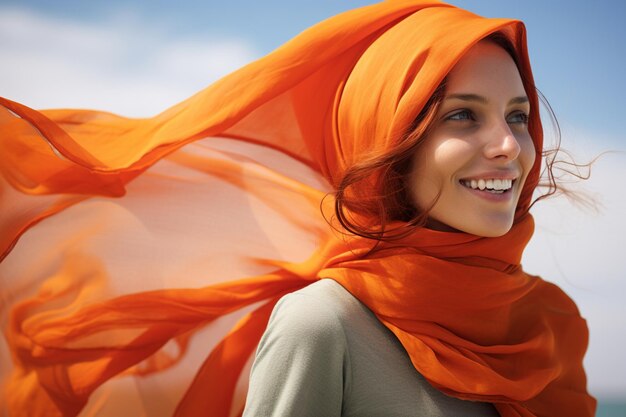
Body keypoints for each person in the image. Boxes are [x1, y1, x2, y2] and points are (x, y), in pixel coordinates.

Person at [0, 1, 595, 417]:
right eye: (462, 114)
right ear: (388, 145)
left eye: (518, 115)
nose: (509, 146)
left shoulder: (547, 327)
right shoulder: (324, 326)